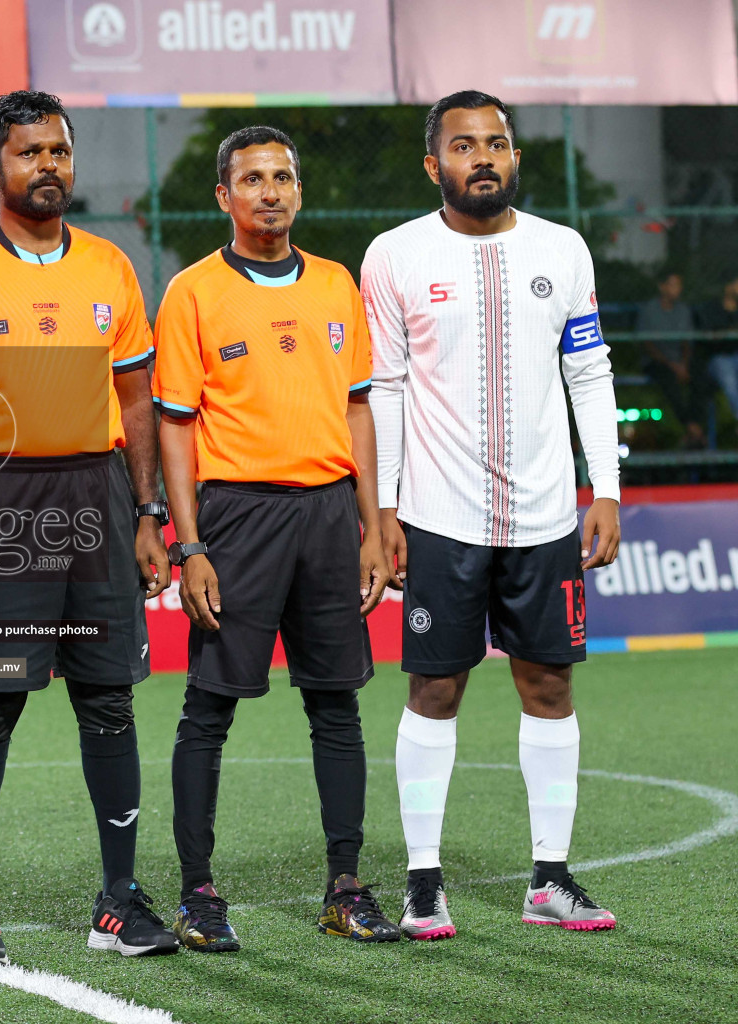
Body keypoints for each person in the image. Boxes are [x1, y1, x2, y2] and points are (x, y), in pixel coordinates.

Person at [0, 90, 175, 965]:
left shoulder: (108, 265)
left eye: (59, 150)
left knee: (109, 703)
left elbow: (136, 399)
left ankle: (120, 900)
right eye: (30, 153)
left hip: (97, 500)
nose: (49, 165)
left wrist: (147, 512)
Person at [362, 90, 622, 940]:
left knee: (549, 685)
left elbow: (589, 373)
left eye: (498, 143)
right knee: (435, 688)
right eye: (465, 144)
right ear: (433, 163)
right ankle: (423, 881)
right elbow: (387, 389)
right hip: (439, 516)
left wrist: (606, 487)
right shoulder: (394, 254)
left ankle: (549, 879)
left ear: (515, 157)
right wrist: (389, 508)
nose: (485, 157)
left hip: (548, 517)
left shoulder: (563, 248)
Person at [154, 126, 395, 953]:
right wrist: (190, 546)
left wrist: (372, 522)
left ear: (300, 190)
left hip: (331, 518)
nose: (270, 191)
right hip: (237, 520)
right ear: (224, 196)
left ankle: (346, 887)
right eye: (251, 179)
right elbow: (175, 430)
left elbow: (360, 408)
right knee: (209, 711)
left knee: (338, 705)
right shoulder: (192, 292)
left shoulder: (336, 286)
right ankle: (197, 893)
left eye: (282, 177)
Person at [637, 270, 710, 447]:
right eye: (673, 284)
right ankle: (693, 429)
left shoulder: (683, 311)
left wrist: (683, 364)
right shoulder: (649, 310)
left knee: (701, 378)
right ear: (662, 286)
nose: (677, 289)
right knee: (669, 381)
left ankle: (693, 429)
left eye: (679, 285)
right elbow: (647, 345)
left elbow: (687, 342)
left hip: (679, 362)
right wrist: (672, 365)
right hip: (658, 362)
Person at [695, 274, 738, 422]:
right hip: (718, 360)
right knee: (728, 375)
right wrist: (726, 332)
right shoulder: (712, 309)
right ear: (728, 286)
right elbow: (708, 338)